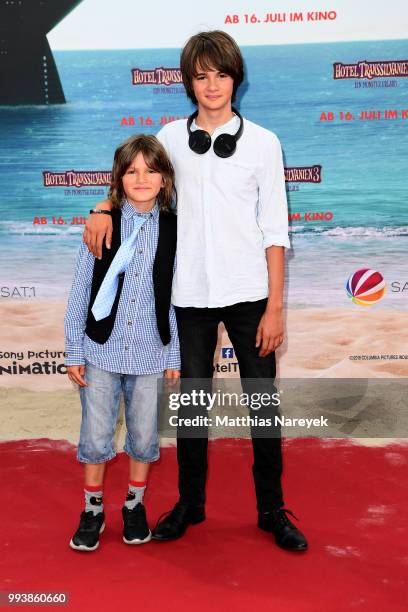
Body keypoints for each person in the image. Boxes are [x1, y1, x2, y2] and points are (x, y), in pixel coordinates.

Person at [83, 31, 308, 552]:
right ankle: (190, 503)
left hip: (251, 293)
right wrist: (100, 209)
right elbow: (134, 182)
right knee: (192, 406)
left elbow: (276, 232)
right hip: (186, 297)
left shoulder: (264, 143)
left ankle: (272, 509)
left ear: (235, 78)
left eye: (221, 74)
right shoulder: (168, 135)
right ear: (189, 82)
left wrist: (275, 308)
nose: (212, 85)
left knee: (262, 405)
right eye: (201, 75)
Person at [65, 134, 180, 551]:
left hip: (151, 354)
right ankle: (92, 509)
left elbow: (172, 298)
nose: (142, 178)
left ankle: (134, 505)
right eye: (132, 171)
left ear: (165, 179)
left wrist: (174, 353)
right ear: (119, 179)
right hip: (100, 350)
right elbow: (80, 290)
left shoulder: (174, 230)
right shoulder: (104, 223)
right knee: (96, 436)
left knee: (145, 436)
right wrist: (73, 349)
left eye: (151, 170)